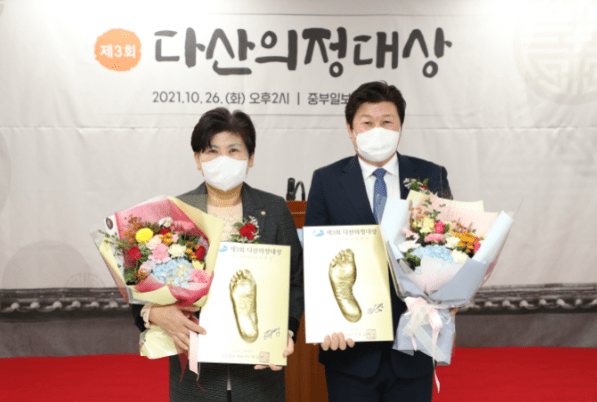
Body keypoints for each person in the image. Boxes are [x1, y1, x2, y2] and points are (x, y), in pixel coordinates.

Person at [130, 107, 304, 402]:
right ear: (198, 159)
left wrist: (286, 329)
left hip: (259, 374)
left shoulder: (274, 210)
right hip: (196, 376)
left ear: (250, 157)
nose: (223, 159)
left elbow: (296, 280)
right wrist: (155, 313)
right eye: (212, 151)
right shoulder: (175, 213)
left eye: (234, 150)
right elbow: (140, 288)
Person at [304, 81, 453, 402]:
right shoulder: (326, 180)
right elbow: (314, 260)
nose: (377, 130)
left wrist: (449, 298)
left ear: (400, 127)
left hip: (413, 344)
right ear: (350, 129)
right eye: (367, 123)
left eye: (387, 122)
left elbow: (449, 251)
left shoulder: (431, 176)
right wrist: (325, 320)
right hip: (349, 348)